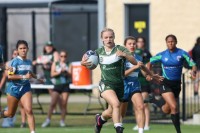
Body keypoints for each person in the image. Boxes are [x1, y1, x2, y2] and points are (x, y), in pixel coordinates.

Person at [81, 28, 139, 133]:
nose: (108, 39)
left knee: (112, 111)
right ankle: (119, 129)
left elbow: (135, 62)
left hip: (120, 85)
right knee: (116, 104)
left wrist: (125, 55)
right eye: (106, 37)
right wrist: (83, 63)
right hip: (106, 84)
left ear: (114, 37)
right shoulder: (98, 52)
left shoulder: (121, 49)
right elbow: (87, 62)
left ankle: (100, 119)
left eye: (110, 37)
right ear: (102, 39)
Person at [145, 34, 197, 133]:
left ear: (176, 42)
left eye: (172, 41)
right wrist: (149, 74)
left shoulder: (182, 53)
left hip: (176, 85)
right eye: (168, 42)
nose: (170, 43)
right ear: (166, 43)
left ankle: (155, 101)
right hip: (165, 83)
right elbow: (150, 62)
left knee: (167, 109)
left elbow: (193, 65)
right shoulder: (162, 54)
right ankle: (178, 131)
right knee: (174, 107)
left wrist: (193, 71)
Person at [121, 36, 163, 133]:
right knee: (120, 113)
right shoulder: (121, 58)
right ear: (125, 45)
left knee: (141, 106)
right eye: (129, 44)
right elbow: (122, 75)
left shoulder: (139, 57)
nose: (132, 45)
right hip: (124, 86)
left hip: (135, 85)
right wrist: (135, 67)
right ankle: (102, 119)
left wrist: (149, 76)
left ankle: (141, 131)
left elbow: (143, 70)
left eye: (134, 43)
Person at [0, 40, 43, 133]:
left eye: (24, 48)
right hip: (13, 89)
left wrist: (38, 78)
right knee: (10, 114)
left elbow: (29, 72)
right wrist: (24, 76)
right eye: (21, 48)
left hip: (25, 88)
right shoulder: (14, 62)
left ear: (27, 49)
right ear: (17, 50)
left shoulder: (28, 61)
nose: (23, 50)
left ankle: (33, 131)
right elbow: (10, 76)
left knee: (29, 110)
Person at [41, 50, 71, 127]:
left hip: (65, 85)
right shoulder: (56, 63)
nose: (63, 58)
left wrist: (66, 71)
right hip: (57, 85)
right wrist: (59, 72)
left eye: (64, 56)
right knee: (52, 103)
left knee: (64, 104)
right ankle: (48, 120)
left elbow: (71, 74)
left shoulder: (69, 64)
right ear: (59, 57)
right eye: (61, 56)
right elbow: (52, 74)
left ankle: (62, 121)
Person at [0, 49, 27, 128]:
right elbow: (5, 76)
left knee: (22, 104)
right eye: (14, 54)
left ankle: (23, 122)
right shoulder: (9, 64)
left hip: (22, 86)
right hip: (12, 87)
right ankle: (6, 120)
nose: (16, 55)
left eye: (17, 54)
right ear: (12, 55)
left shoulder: (23, 64)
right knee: (11, 109)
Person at [33, 41, 61, 113]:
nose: (49, 48)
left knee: (56, 93)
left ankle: (61, 108)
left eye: (50, 46)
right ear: (45, 47)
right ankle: (54, 109)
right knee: (52, 93)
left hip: (54, 76)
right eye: (47, 46)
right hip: (47, 76)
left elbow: (56, 62)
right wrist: (37, 62)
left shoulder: (55, 53)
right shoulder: (43, 54)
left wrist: (48, 62)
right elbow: (36, 61)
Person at [133, 37, 152, 131]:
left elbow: (149, 64)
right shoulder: (133, 54)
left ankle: (147, 124)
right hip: (136, 81)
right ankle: (139, 123)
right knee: (136, 105)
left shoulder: (146, 53)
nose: (140, 43)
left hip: (144, 81)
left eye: (142, 41)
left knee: (144, 103)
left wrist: (148, 74)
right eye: (138, 41)